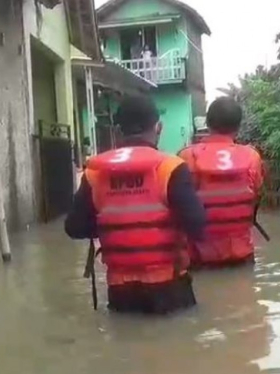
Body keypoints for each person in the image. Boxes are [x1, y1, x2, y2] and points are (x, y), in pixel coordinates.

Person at [65, 95, 206, 315]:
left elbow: (74, 228)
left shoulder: (95, 171)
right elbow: (198, 226)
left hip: (121, 291)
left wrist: (112, 226)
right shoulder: (171, 168)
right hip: (169, 288)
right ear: (158, 127)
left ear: (118, 130)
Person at [179, 97, 264, 268]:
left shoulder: (186, 157)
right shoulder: (252, 157)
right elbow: (256, 195)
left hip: (199, 258)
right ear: (238, 127)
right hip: (241, 255)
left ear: (207, 123)